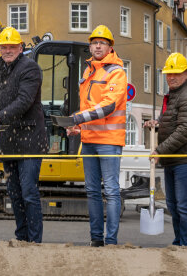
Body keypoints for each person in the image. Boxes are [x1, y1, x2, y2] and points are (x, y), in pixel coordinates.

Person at [0, 26, 48, 243]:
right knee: (15, 195)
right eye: (4, 47)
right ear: (0, 48)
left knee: (29, 193)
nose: (8, 50)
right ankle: (21, 238)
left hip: (29, 140)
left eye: (12, 46)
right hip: (9, 141)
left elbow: (24, 100)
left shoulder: (31, 69)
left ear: (21, 47)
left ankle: (34, 241)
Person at [65, 25, 127, 247]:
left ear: (110, 47)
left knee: (110, 191)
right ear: (90, 46)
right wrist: (78, 127)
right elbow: (90, 108)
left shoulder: (116, 72)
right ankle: (96, 240)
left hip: (109, 142)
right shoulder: (88, 71)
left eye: (102, 42)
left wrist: (77, 119)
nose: (98, 46)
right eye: (94, 42)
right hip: (89, 141)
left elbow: (108, 107)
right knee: (92, 191)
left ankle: (110, 240)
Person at [143, 52, 187, 247]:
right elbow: (172, 123)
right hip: (173, 159)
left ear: (186, 73)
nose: (172, 77)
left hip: (186, 159)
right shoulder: (173, 96)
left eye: (176, 73)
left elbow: (185, 130)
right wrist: (158, 124)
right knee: (173, 204)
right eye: (169, 74)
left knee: (184, 205)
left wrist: (160, 150)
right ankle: (179, 241)